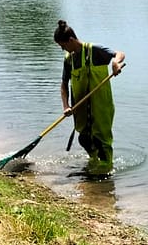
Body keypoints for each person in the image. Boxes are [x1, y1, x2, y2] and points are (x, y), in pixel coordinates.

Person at [53, 20, 125, 174]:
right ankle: (93, 163)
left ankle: (105, 170)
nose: (63, 49)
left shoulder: (94, 50)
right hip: (80, 108)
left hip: (101, 106)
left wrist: (115, 63)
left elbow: (119, 53)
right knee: (84, 139)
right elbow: (64, 84)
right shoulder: (69, 59)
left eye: (63, 46)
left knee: (101, 141)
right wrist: (66, 106)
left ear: (71, 40)